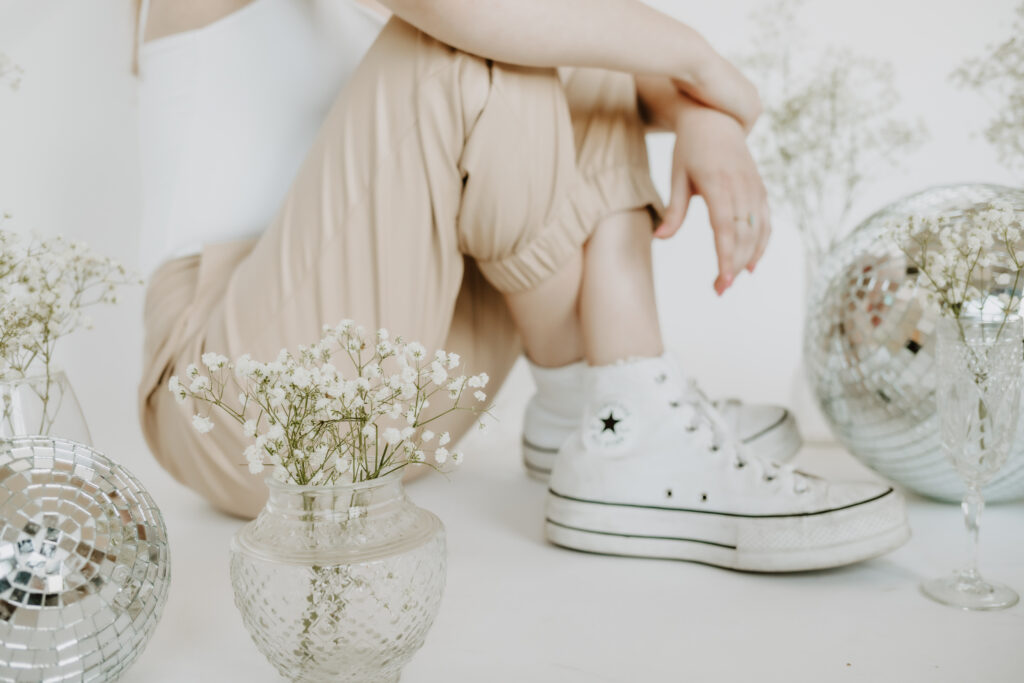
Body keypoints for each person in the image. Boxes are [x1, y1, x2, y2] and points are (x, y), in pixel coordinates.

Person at [136, 0, 909, 571]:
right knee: (465, 44)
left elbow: (580, 45)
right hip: (230, 402)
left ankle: (613, 409)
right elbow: (469, 15)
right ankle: (618, 411)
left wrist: (709, 121)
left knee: (573, 37)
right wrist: (703, 63)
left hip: (411, 395)